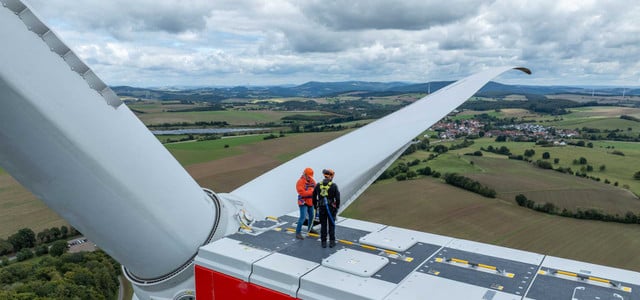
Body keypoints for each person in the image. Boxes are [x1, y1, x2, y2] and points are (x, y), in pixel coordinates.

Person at [313, 169, 340, 248]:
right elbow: (337, 198)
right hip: (331, 209)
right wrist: (337, 207)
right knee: (331, 225)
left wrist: (315, 206)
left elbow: (313, 196)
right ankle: (332, 242)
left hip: (321, 209)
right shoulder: (334, 186)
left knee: (323, 225)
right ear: (331, 177)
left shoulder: (318, 185)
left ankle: (323, 242)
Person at [295, 167, 316, 240]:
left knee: (312, 216)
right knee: (303, 217)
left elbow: (315, 190)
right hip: (303, 202)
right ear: (304, 174)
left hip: (310, 202)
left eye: (310, 177)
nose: (309, 178)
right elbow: (302, 193)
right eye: (308, 176)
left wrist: (311, 191)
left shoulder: (312, 180)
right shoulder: (300, 182)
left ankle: (310, 229)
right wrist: (311, 191)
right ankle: (298, 233)